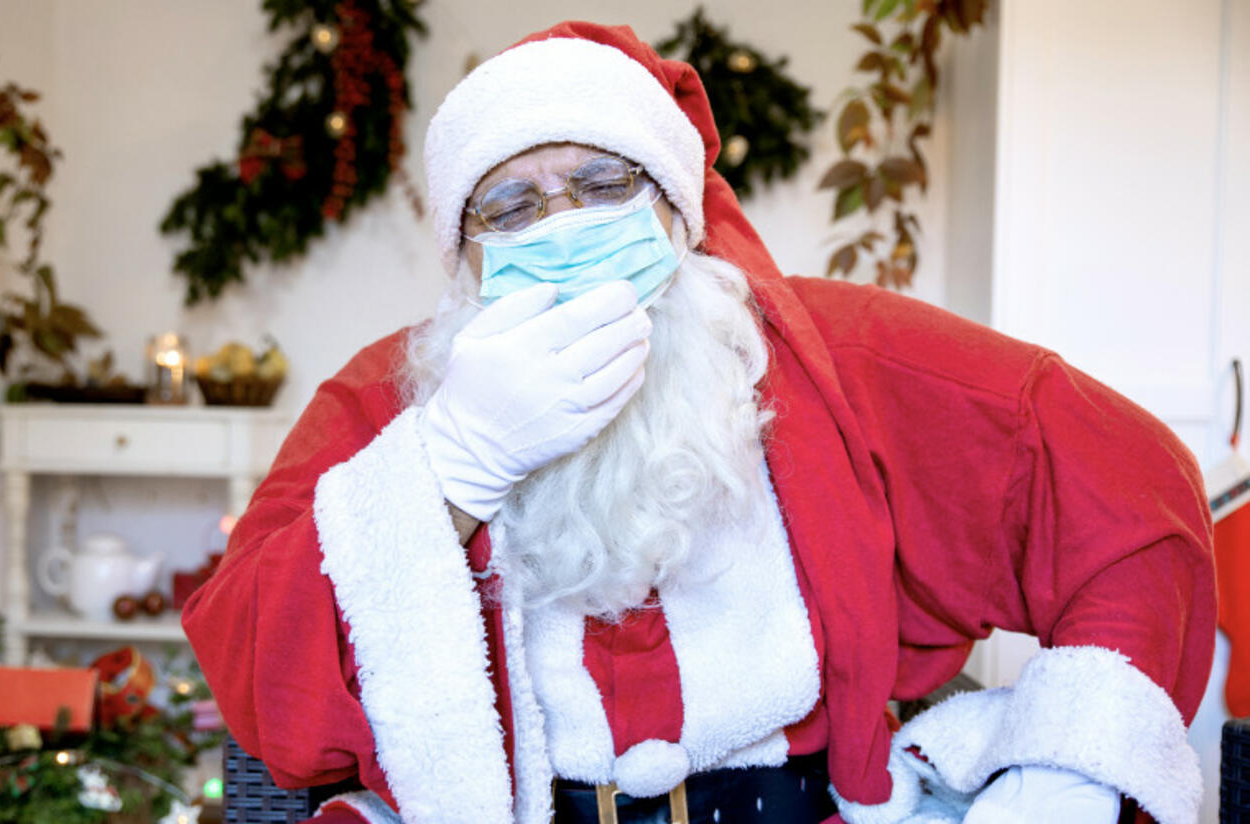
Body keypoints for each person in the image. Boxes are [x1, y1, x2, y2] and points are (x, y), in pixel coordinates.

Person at [183, 21, 1214, 824]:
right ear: (465, 253)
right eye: (513, 206)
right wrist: (449, 467)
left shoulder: (829, 354)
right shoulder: (386, 399)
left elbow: (1127, 488)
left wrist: (1063, 779)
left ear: (678, 212)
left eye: (604, 184)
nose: (564, 225)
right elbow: (257, 675)